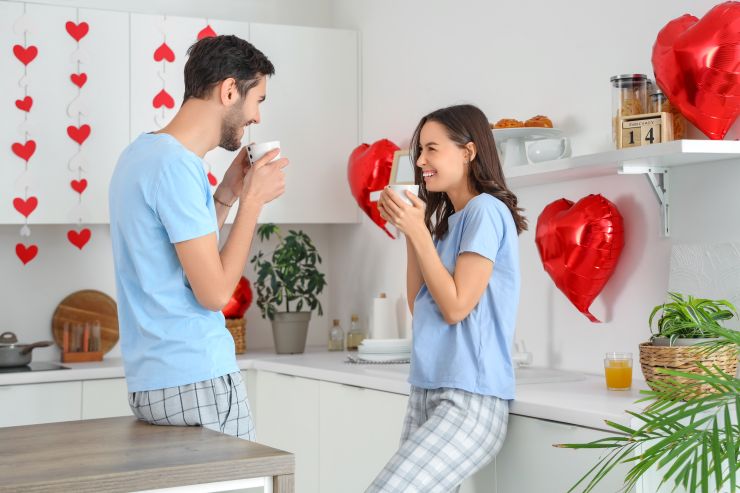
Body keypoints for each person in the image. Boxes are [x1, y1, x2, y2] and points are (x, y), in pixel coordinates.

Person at [109, 35, 288, 440]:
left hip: (150, 384)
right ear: (230, 90)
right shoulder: (177, 167)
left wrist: (226, 194)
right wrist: (253, 203)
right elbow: (215, 293)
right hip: (198, 379)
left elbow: (183, 260)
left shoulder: (139, 155)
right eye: (258, 100)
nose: (257, 117)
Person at [369, 104, 527, 492]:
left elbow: (456, 307)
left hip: (470, 399)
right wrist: (413, 232)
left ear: (468, 151)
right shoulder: (447, 225)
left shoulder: (486, 211)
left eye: (431, 149)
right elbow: (420, 305)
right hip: (427, 390)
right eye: (419, 151)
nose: (420, 161)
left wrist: (419, 232)